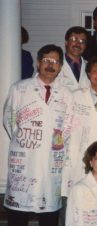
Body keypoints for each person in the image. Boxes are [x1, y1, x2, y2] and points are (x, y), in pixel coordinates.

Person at [3, 44, 73, 226]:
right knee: (18, 217)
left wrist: (51, 144)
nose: (50, 65)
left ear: (60, 66)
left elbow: (69, 125)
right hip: (25, 162)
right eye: (46, 60)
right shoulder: (20, 88)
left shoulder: (66, 94)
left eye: (55, 62)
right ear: (37, 62)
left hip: (51, 162)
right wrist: (27, 140)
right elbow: (9, 120)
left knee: (49, 216)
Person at [60, 55, 97, 225]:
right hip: (75, 165)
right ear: (88, 74)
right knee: (71, 215)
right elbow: (62, 131)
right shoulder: (74, 97)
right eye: (95, 71)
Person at [58, 26, 90, 91]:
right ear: (66, 42)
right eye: (73, 39)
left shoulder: (90, 67)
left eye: (82, 41)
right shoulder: (55, 65)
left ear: (85, 46)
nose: (77, 44)